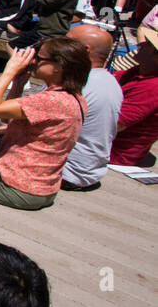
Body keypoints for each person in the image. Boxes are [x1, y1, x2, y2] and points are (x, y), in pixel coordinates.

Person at [0, 39, 91, 210]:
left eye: (39, 59)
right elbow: (7, 119)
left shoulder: (52, 101)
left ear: (58, 67)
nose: (33, 62)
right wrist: (18, 85)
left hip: (16, 185)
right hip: (35, 184)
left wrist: (9, 71)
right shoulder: (74, 98)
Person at [60, 24, 124, 190]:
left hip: (66, 172)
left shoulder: (77, 84)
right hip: (90, 171)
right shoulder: (110, 81)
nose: (59, 45)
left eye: (67, 41)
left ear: (85, 50)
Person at [109, 23, 158, 166]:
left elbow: (115, 125)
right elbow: (108, 80)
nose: (141, 44)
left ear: (155, 56)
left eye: (148, 44)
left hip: (114, 153)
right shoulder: (140, 71)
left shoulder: (153, 87)